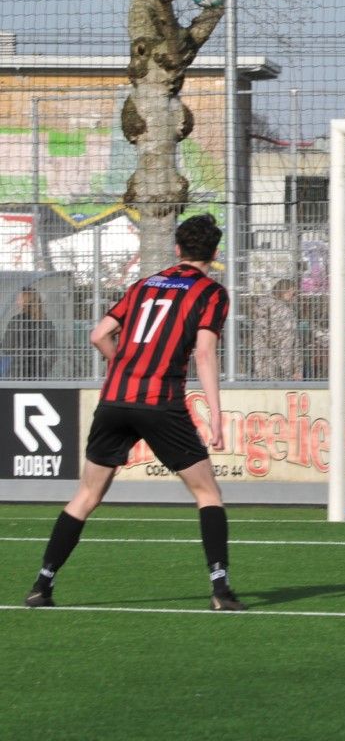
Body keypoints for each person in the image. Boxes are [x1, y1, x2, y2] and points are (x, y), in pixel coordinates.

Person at [23, 214, 246, 612]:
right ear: (214, 253)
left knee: (86, 496)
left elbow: (98, 335)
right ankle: (220, 590)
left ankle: (42, 586)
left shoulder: (143, 284)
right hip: (160, 403)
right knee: (207, 493)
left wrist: (122, 365)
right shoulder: (211, 293)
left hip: (114, 400)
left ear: (177, 249)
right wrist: (215, 413)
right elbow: (207, 353)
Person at [1, 286, 57, 379]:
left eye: (19, 299)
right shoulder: (47, 323)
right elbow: (53, 352)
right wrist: (45, 369)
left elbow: (7, 348)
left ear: (26, 302)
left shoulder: (16, 321)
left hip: (18, 371)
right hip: (39, 370)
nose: (16, 302)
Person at [251, 278, 301, 380]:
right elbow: (288, 341)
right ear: (284, 291)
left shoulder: (262, 304)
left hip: (262, 357)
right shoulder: (284, 311)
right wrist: (294, 369)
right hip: (281, 362)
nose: (294, 296)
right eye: (292, 292)